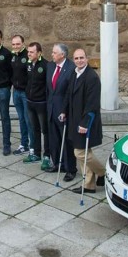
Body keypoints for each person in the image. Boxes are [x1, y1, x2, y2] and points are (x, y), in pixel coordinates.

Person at [61, 48, 105, 193]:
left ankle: (103, 172)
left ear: (87, 59)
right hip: (74, 118)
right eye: (76, 58)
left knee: (80, 153)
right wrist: (64, 111)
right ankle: (89, 185)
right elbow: (68, 94)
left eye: (82, 58)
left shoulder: (92, 77)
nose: (79, 61)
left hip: (86, 122)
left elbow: (92, 103)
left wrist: (84, 123)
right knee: (83, 151)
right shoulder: (74, 73)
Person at [46, 43, 76, 182]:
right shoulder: (51, 66)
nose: (52, 54)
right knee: (54, 139)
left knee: (66, 141)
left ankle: (70, 169)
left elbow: (70, 93)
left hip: (63, 110)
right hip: (51, 109)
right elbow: (49, 89)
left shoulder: (71, 69)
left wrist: (65, 110)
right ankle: (57, 163)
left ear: (62, 55)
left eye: (54, 52)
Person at [25, 42, 50, 168]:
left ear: (39, 53)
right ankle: (36, 153)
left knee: (45, 130)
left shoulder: (46, 65)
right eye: (28, 52)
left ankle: (47, 156)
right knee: (34, 129)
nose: (29, 54)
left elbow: (49, 86)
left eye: (32, 52)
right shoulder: (28, 64)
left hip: (41, 103)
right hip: (30, 102)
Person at [9, 34, 31, 156]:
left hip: (25, 93)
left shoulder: (27, 55)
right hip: (15, 92)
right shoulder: (13, 56)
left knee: (29, 120)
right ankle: (24, 144)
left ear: (23, 43)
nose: (16, 46)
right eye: (13, 44)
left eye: (18, 44)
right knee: (22, 119)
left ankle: (33, 146)